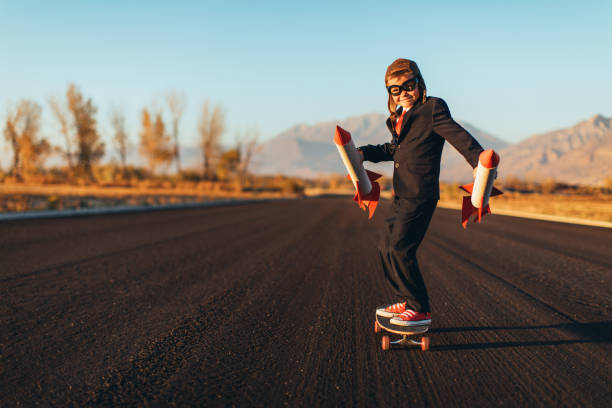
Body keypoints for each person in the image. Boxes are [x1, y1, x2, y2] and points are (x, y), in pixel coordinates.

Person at [358, 58, 483, 327]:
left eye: (409, 85)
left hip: (421, 193)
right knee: (386, 247)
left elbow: (457, 135)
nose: (403, 92)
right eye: (396, 89)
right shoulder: (399, 119)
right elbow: (394, 150)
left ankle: (419, 308)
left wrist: (478, 161)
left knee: (402, 249)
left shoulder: (432, 109)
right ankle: (406, 300)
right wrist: (364, 153)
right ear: (389, 94)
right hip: (402, 194)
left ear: (420, 83)